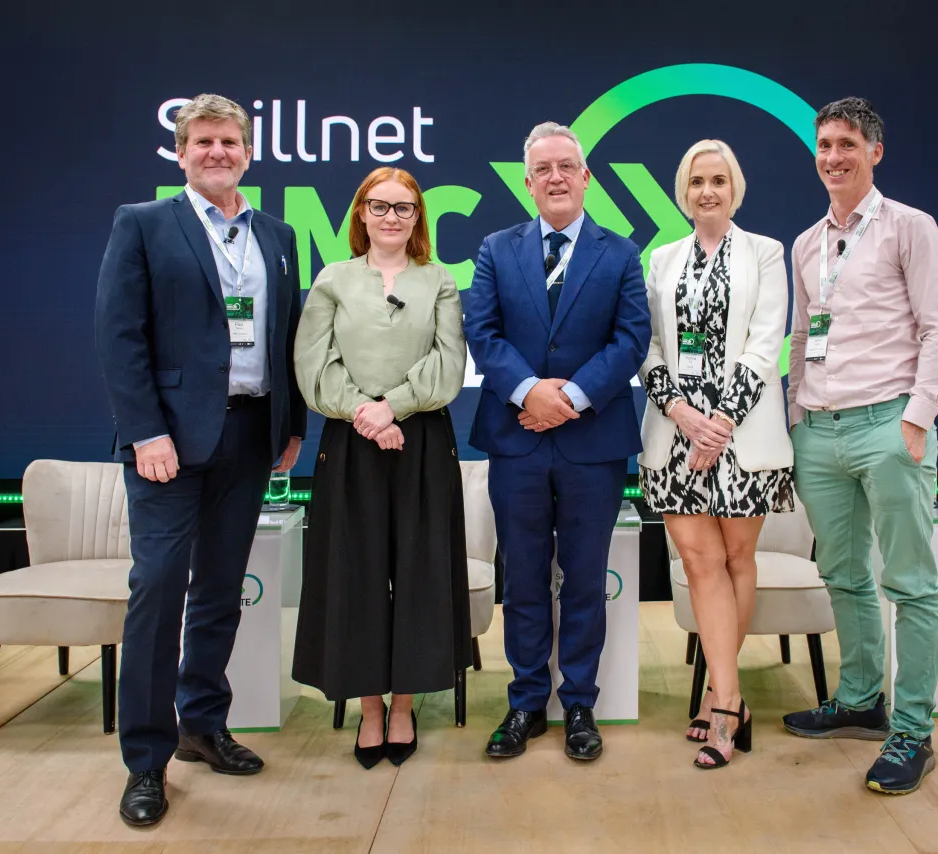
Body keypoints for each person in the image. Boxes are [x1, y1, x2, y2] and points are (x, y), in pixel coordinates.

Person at [95, 93, 306, 826]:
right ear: (180, 152)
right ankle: (145, 762)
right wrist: (144, 430)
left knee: (220, 589)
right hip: (168, 444)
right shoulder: (145, 225)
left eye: (230, 142)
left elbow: (285, 336)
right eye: (203, 141)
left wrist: (291, 423)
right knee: (158, 591)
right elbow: (120, 337)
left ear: (249, 151)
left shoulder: (276, 235)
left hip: (250, 436)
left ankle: (202, 726)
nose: (218, 152)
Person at [782, 97, 938, 795]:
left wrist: (915, 420)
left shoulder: (910, 228)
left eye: (847, 144)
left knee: (911, 584)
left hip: (890, 425)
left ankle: (912, 732)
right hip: (820, 431)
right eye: (824, 144)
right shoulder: (807, 242)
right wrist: (799, 410)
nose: (833, 156)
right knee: (845, 576)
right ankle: (861, 701)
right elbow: (802, 336)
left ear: (874, 152)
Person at [465, 122, 649, 762]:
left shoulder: (621, 254)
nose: (556, 178)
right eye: (543, 168)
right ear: (527, 181)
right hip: (516, 440)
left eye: (567, 166)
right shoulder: (495, 249)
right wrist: (530, 394)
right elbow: (483, 334)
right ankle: (524, 703)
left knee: (584, 578)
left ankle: (578, 705)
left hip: (592, 445)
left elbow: (630, 342)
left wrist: (568, 398)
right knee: (521, 577)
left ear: (586, 176)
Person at [292, 166, 470, 770]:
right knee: (356, 575)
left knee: (419, 573)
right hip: (349, 444)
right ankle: (370, 707)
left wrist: (389, 409)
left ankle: (404, 707)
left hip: (419, 443)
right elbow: (313, 364)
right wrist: (365, 415)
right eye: (380, 206)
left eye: (404, 207)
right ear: (360, 213)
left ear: (419, 218)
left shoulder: (439, 280)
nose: (391, 217)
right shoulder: (333, 279)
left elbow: (448, 369)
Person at [638, 139, 794, 769]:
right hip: (674, 435)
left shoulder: (766, 253)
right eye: (697, 180)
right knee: (699, 563)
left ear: (736, 189)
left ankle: (717, 693)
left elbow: (765, 345)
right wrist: (682, 415)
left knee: (735, 558)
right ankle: (732, 701)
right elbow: (647, 348)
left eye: (719, 180)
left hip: (742, 435)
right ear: (683, 190)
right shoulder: (662, 258)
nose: (707, 191)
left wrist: (720, 423)